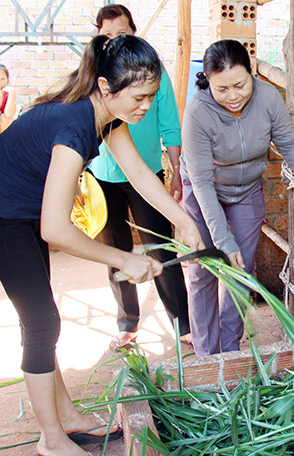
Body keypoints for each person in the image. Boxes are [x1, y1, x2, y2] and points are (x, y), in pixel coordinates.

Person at [0, 35, 204, 456]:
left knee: (40, 317)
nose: (146, 106)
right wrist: (124, 258)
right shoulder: (75, 127)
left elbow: (138, 172)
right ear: (105, 86)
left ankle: (67, 418)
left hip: (21, 210)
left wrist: (183, 219)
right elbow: (55, 228)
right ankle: (51, 441)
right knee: (42, 321)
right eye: (139, 97)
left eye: (152, 95)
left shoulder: (106, 116)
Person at [181, 39, 294, 355]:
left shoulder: (267, 98)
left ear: (251, 73)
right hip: (202, 192)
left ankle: (229, 350)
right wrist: (222, 240)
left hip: (246, 190)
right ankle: (206, 355)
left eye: (239, 85)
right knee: (203, 270)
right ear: (207, 81)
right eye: (221, 89)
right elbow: (201, 181)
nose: (233, 96)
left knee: (240, 270)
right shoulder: (198, 112)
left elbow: (289, 147)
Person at [89, 4, 192, 349]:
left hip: (146, 172)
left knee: (161, 249)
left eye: (122, 34)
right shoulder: (95, 82)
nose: (115, 41)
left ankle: (183, 324)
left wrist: (177, 171)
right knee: (116, 251)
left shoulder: (152, 72)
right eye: (107, 36)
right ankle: (127, 322)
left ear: (135, 33)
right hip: (102, 176)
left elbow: (170, 125)